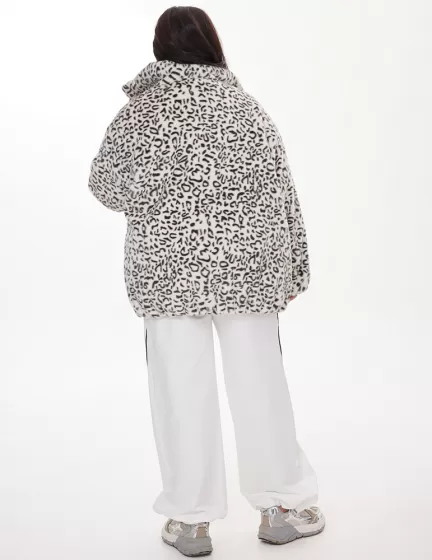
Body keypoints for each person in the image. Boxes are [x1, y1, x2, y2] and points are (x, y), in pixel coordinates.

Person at [88, 5, 324, 557]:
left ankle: (191, 521)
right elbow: (281, 189)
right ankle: (282, 507)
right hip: (248, 270)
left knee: (180, 391)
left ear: (159, 48)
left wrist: (158, 198)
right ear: (212, 44)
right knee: (261, 385)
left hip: (167, 274)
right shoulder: (246, 108)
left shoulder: (140, 114)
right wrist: (296, 265)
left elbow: (104, 185)